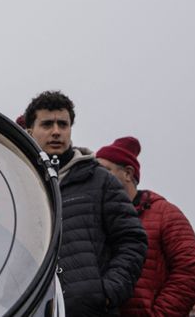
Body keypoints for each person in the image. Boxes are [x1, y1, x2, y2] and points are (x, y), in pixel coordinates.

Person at [17, 91, 147, 316]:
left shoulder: (99, 180)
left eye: (63, 124)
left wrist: (107, 293)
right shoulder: (18, 183)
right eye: (47, 124)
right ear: (30, 131)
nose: (56, 131)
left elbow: (132, 240)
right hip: (31, 308)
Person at [96, 136, 195, 316]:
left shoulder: (165, 214)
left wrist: (161, 314)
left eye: (105, 171)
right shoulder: (97, 215)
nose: (97, 178)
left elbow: (189, 270)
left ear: (128, 173)